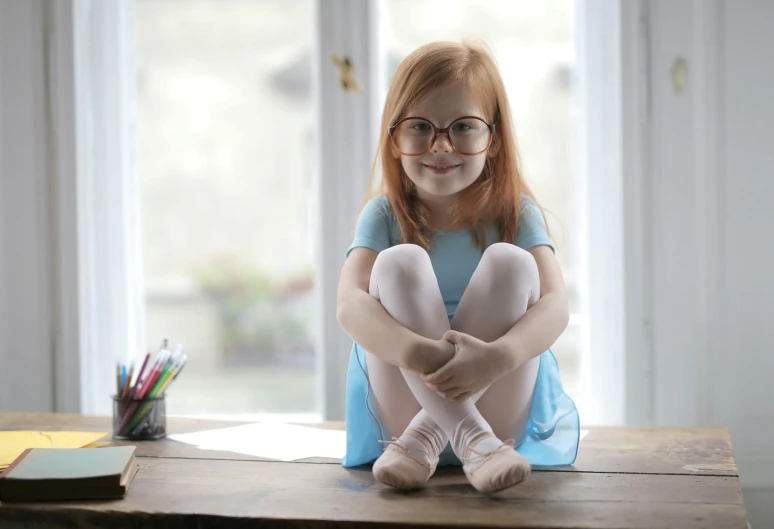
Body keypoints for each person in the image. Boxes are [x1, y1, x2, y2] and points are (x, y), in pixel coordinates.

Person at [336, 40, 579, 494]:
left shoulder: (516, 212)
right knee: (399, 262)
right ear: (394, 139)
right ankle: (468, 438)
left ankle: (439, 436)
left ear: (495, 136)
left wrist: (496, 357)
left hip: (497, 415)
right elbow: (349, 305)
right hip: (402, 415)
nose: (441, 145)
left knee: (511, 262)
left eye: (463, 127)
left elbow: (557, 306)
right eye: (420, 127)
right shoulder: (384, 214)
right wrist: (417, 352)